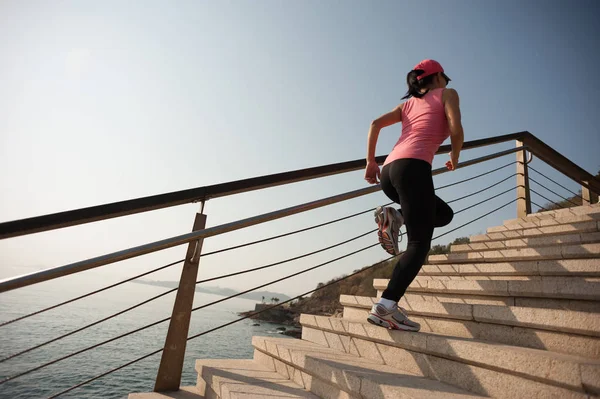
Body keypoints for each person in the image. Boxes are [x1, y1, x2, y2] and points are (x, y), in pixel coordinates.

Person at [364, 59, 464, 331]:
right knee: (419, 244)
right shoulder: (447, 95)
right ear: (437, 77)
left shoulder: (407, 105)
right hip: (413, 169)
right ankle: (385, 307)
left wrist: (371, 162)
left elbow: (374, 123)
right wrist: (455, 155)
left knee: (443, 214)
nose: (448, 82)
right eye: (446, 77)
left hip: (389, 172)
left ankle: (397, 215)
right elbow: (456, 128)